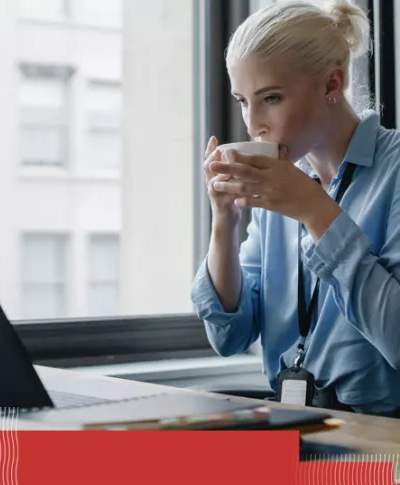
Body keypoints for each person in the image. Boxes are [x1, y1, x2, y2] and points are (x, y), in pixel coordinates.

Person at [191, 0, 400, 417]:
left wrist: (314, 211)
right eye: (243, 101)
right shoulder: (280, 186)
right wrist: (224, 223)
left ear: (331, 84)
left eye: (270, 98)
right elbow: (228, 335)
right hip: (296, 423)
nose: (254, 125)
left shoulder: (393, 170)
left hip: (383, 436)